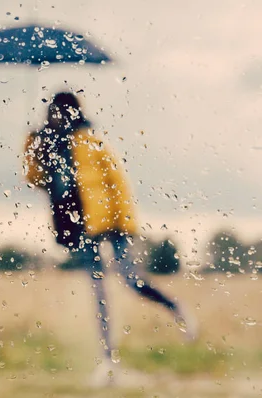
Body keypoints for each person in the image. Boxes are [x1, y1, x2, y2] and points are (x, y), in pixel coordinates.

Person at [23, 92, 198, 386]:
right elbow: (35, 180)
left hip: (113, 225)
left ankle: (176, 309)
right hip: (81, 231)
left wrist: (125, 224)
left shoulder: (91, 142)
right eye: (51, 112)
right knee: (99, 294)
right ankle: (108, 362)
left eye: (58, 112)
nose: (53, 117)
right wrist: (31, 146)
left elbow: (118, 184)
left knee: (132, 281)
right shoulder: (48, 146)